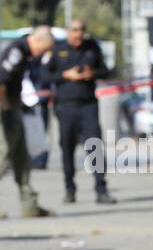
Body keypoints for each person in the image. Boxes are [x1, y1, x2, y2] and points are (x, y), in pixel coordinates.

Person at [0, 26, 55, 220]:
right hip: (4, 108)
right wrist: (7, 110)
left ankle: (29, 204)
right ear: (37, 41)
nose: (41, 54)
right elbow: (1, 81)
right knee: (2, 157)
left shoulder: (24, 52)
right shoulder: (17, 51)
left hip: (14, 106)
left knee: (21, 158)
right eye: (43, 50)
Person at [48, 18, 115, 204]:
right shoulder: (57, 49)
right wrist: (64, 75)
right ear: (68, 31)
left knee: (95, 146)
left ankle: (101, 189)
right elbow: (45, 75)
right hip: (65, 105)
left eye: (82, 30)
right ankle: (69, 189)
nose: (79, 34)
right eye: (75, 30)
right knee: (67, 148)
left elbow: (106, 71)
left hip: (88, 105)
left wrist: (92, 73)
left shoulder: (92, 47)